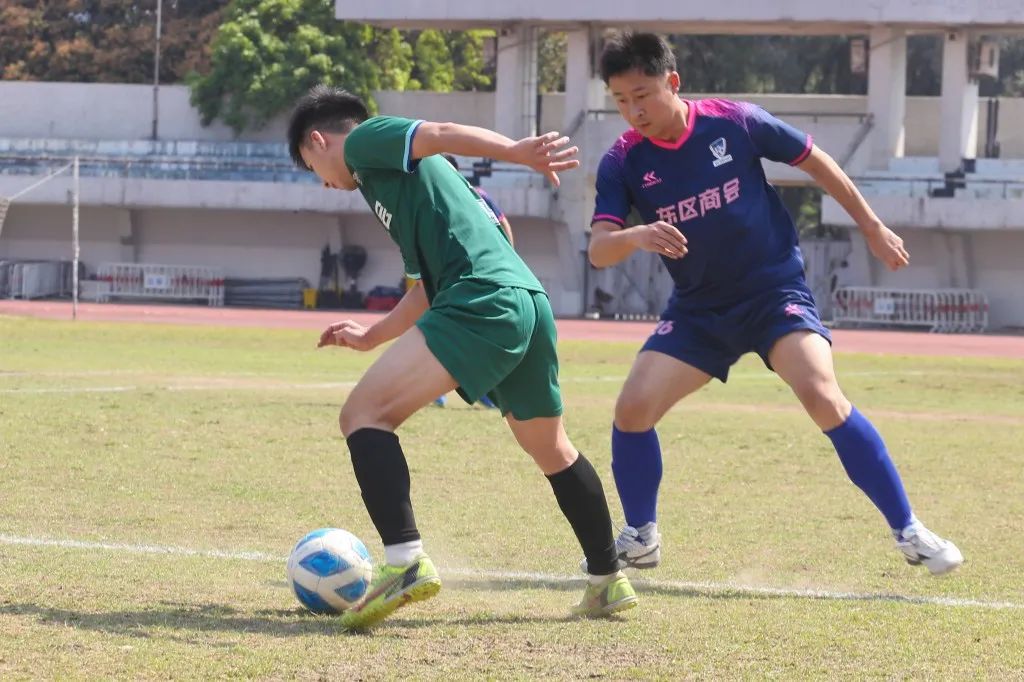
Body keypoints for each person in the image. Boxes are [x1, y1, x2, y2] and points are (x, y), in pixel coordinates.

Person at [586, 32, 963, 576]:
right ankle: (641, 535)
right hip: (700, 311)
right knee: (631, 411)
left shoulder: (735, 121)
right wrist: (636, 236)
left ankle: (910, 530)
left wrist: (873, 227)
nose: (633, 110)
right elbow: (600, 250)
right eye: (620, 100)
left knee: (820, 393)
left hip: (773, 294)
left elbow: (817, 162)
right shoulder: (622, 162)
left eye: (642, 94)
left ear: (673, 82)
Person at [287, 85, 637, 630]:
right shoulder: (398, 188)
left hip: (481, 300)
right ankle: (607, 580)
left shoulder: (363, 142)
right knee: (552, 448)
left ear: (319, 140)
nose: (326, 184)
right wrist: (372, 336)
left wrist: (520, 152)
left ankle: (404, 563)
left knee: (362, 416)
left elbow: (441, 132)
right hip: (525, 302)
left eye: (314, 168)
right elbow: (424, 289)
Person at [433, 154, 513, 409]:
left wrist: (509, 257)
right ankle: (445, 390)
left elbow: (502, 222)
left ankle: (482, 389)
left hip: (474, 276)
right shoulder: (441, 196)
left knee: (466, 332)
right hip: (452, 276)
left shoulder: (470, 194)